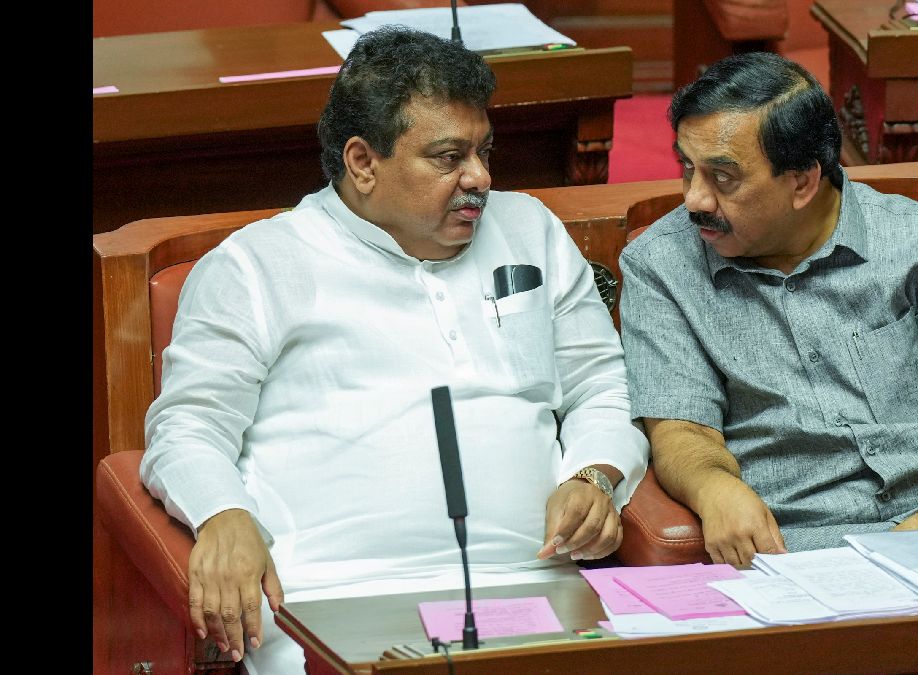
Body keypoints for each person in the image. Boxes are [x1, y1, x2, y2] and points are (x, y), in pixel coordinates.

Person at [141, 26, 648, 673]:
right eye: (448, 157)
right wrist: (223, 514)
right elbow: (187, 426)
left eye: (484, 150)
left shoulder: (531, 230)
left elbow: (602, 384)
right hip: (333, 602)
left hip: (535, 590)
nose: (481, 177)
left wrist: (595, 473)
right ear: (362, 162)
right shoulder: (257, 265)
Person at [617, 52, 918, 566]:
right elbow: (682, 429)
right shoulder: (662, 265)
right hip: (807, 546)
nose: (695, 199)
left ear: (802, 182)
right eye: (687, 168)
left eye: (723, 177)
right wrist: (713, 487)